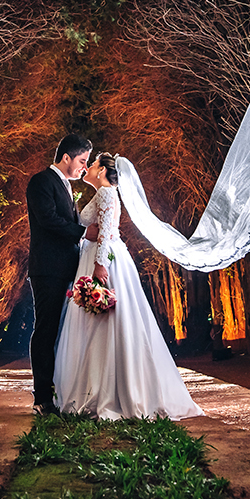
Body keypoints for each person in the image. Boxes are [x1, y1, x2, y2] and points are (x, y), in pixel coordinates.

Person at [54, 152, 203, 420]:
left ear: (101, 171)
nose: (87, 167)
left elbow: (107, 233)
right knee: (95, 325)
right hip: (94, 256)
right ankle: (95, 387)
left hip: (105, 259)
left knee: (109, 323)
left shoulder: (108, 194)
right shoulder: (102, 193)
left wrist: (100, 266)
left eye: (93, 164)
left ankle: (110, 391)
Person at [25, 133, 93, 415]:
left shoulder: (65, 185)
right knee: (46, 330)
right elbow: (49, 220)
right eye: (82, 160)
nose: (84, 167)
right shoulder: (41, 181)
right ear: (66, 157)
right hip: (48, 270)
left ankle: (60, 392)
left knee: (61, 333)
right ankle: (42, 397)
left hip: (66, 269)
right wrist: (85, 232)